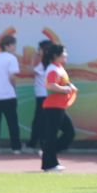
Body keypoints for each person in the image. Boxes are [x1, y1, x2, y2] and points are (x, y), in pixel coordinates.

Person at [34, 41, 78, 172]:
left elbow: (63, 83)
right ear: (55, 55)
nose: (66, 55)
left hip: (59, 106)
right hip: (53, 106)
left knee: (70, 132)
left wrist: (70, 86)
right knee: (52, 135)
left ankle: (48, 153)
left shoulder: (59, 68)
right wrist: (65, 89)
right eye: (64, 53)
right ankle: (49, 164)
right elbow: (50, 85)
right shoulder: (52, 68)